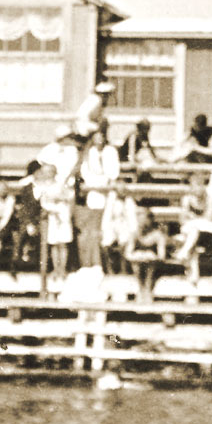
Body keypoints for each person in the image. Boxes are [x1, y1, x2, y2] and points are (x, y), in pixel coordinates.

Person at [76, 127, 120, 274]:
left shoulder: (111, 151)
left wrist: (106, 182)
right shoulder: (89, 153)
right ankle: (93, 264)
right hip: (94, 191)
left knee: (106, 228)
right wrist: (94, 183)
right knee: (92, 230)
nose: (99, 140)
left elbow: (113, 171)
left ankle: (107, 267)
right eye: (96, 138)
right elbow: (86, 171)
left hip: (108, 192)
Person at [124, 207, 166, 303]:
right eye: (140, 220)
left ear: (150, 220)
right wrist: (139, 256)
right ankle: (141, 289)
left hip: (155, 266)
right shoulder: (134, 234)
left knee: (149, 265)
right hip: (139, 264)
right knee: (136, 264)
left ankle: (147, 289)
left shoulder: (158, 235)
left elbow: (161, 256)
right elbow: (128, 254)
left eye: (144, 220)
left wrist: (150, 256)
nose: (142, 223)